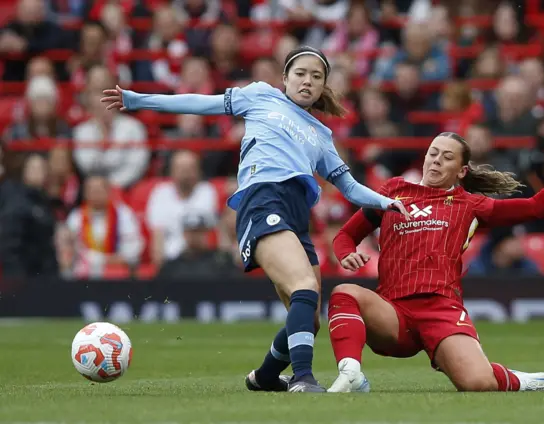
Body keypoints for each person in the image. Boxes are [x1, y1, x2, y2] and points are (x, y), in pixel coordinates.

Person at [100, 45, 410, 393]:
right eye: (301, 73)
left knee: (308, 315)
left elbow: (350, 187)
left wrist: (386, 203)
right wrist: (139, 100)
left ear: (323, 86)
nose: (307, 81)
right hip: (263, 199)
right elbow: (203, 103)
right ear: (285, 78)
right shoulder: (261, 95)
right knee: (304, 288)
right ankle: (303, 379)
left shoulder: (322, 136)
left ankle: (264, 377)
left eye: (316, 76)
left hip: (297, 214)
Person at [326, 132, 544, 393]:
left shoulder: (470, 204)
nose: (436, 160)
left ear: (462, 171)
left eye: (447, 157)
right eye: (433, 153)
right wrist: (346, 252)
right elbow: (346, 235)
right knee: (344, 293)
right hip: (393, 313)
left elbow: (536, 207)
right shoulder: (393, 192)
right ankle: (352, 374)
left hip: (441, 310)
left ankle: (517, 379)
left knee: (478, 383)